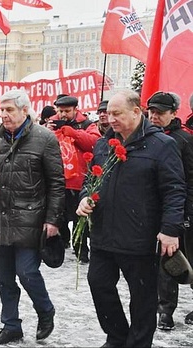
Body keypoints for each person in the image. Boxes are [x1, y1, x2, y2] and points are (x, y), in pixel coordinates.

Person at [76, 90, 186, 347]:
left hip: (140, 236)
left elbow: (174, 190)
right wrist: (84, 197)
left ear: (137, 112)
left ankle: (137, 343)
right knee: (99, 284)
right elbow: (91, 178)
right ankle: (116, 337)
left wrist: (170, 229)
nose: (110, 119)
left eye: (116, 114)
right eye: (107, 114)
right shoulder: (104, 143)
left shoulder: (162, 145)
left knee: (142, 297)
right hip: (104, 233)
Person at [0, 90, 64, 344]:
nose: (4, 115)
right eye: (2, 110)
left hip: (31, 219)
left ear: (25, 111)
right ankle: (11, 324)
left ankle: (45, 310)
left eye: (10, 110)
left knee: (27, 272)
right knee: (4, 278)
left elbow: (56, 182)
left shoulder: (44, 138)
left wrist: (53, 220)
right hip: (0, 218)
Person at [146, 91, 193, 330]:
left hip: (182, 211)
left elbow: (188, 180)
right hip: (155, 210)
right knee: (165, 261)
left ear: (174, 113)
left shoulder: (183, 139)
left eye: (160, 113)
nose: (154, 116)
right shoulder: (145, 136)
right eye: (151, 111)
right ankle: (165, 311)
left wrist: (185, 213)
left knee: (187, 260)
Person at [47, 95, 100, 262]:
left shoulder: (86, 124)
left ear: (75, 109)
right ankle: (58, 247)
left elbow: (94, 143)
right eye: (60, 111)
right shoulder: (51, 124)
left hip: (78, 180)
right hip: (57, 179)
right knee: (56, 215)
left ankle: (81, 251)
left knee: (79, 219)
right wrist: (49, 130)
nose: (63, 114)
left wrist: (75, 134)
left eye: (67, 111)